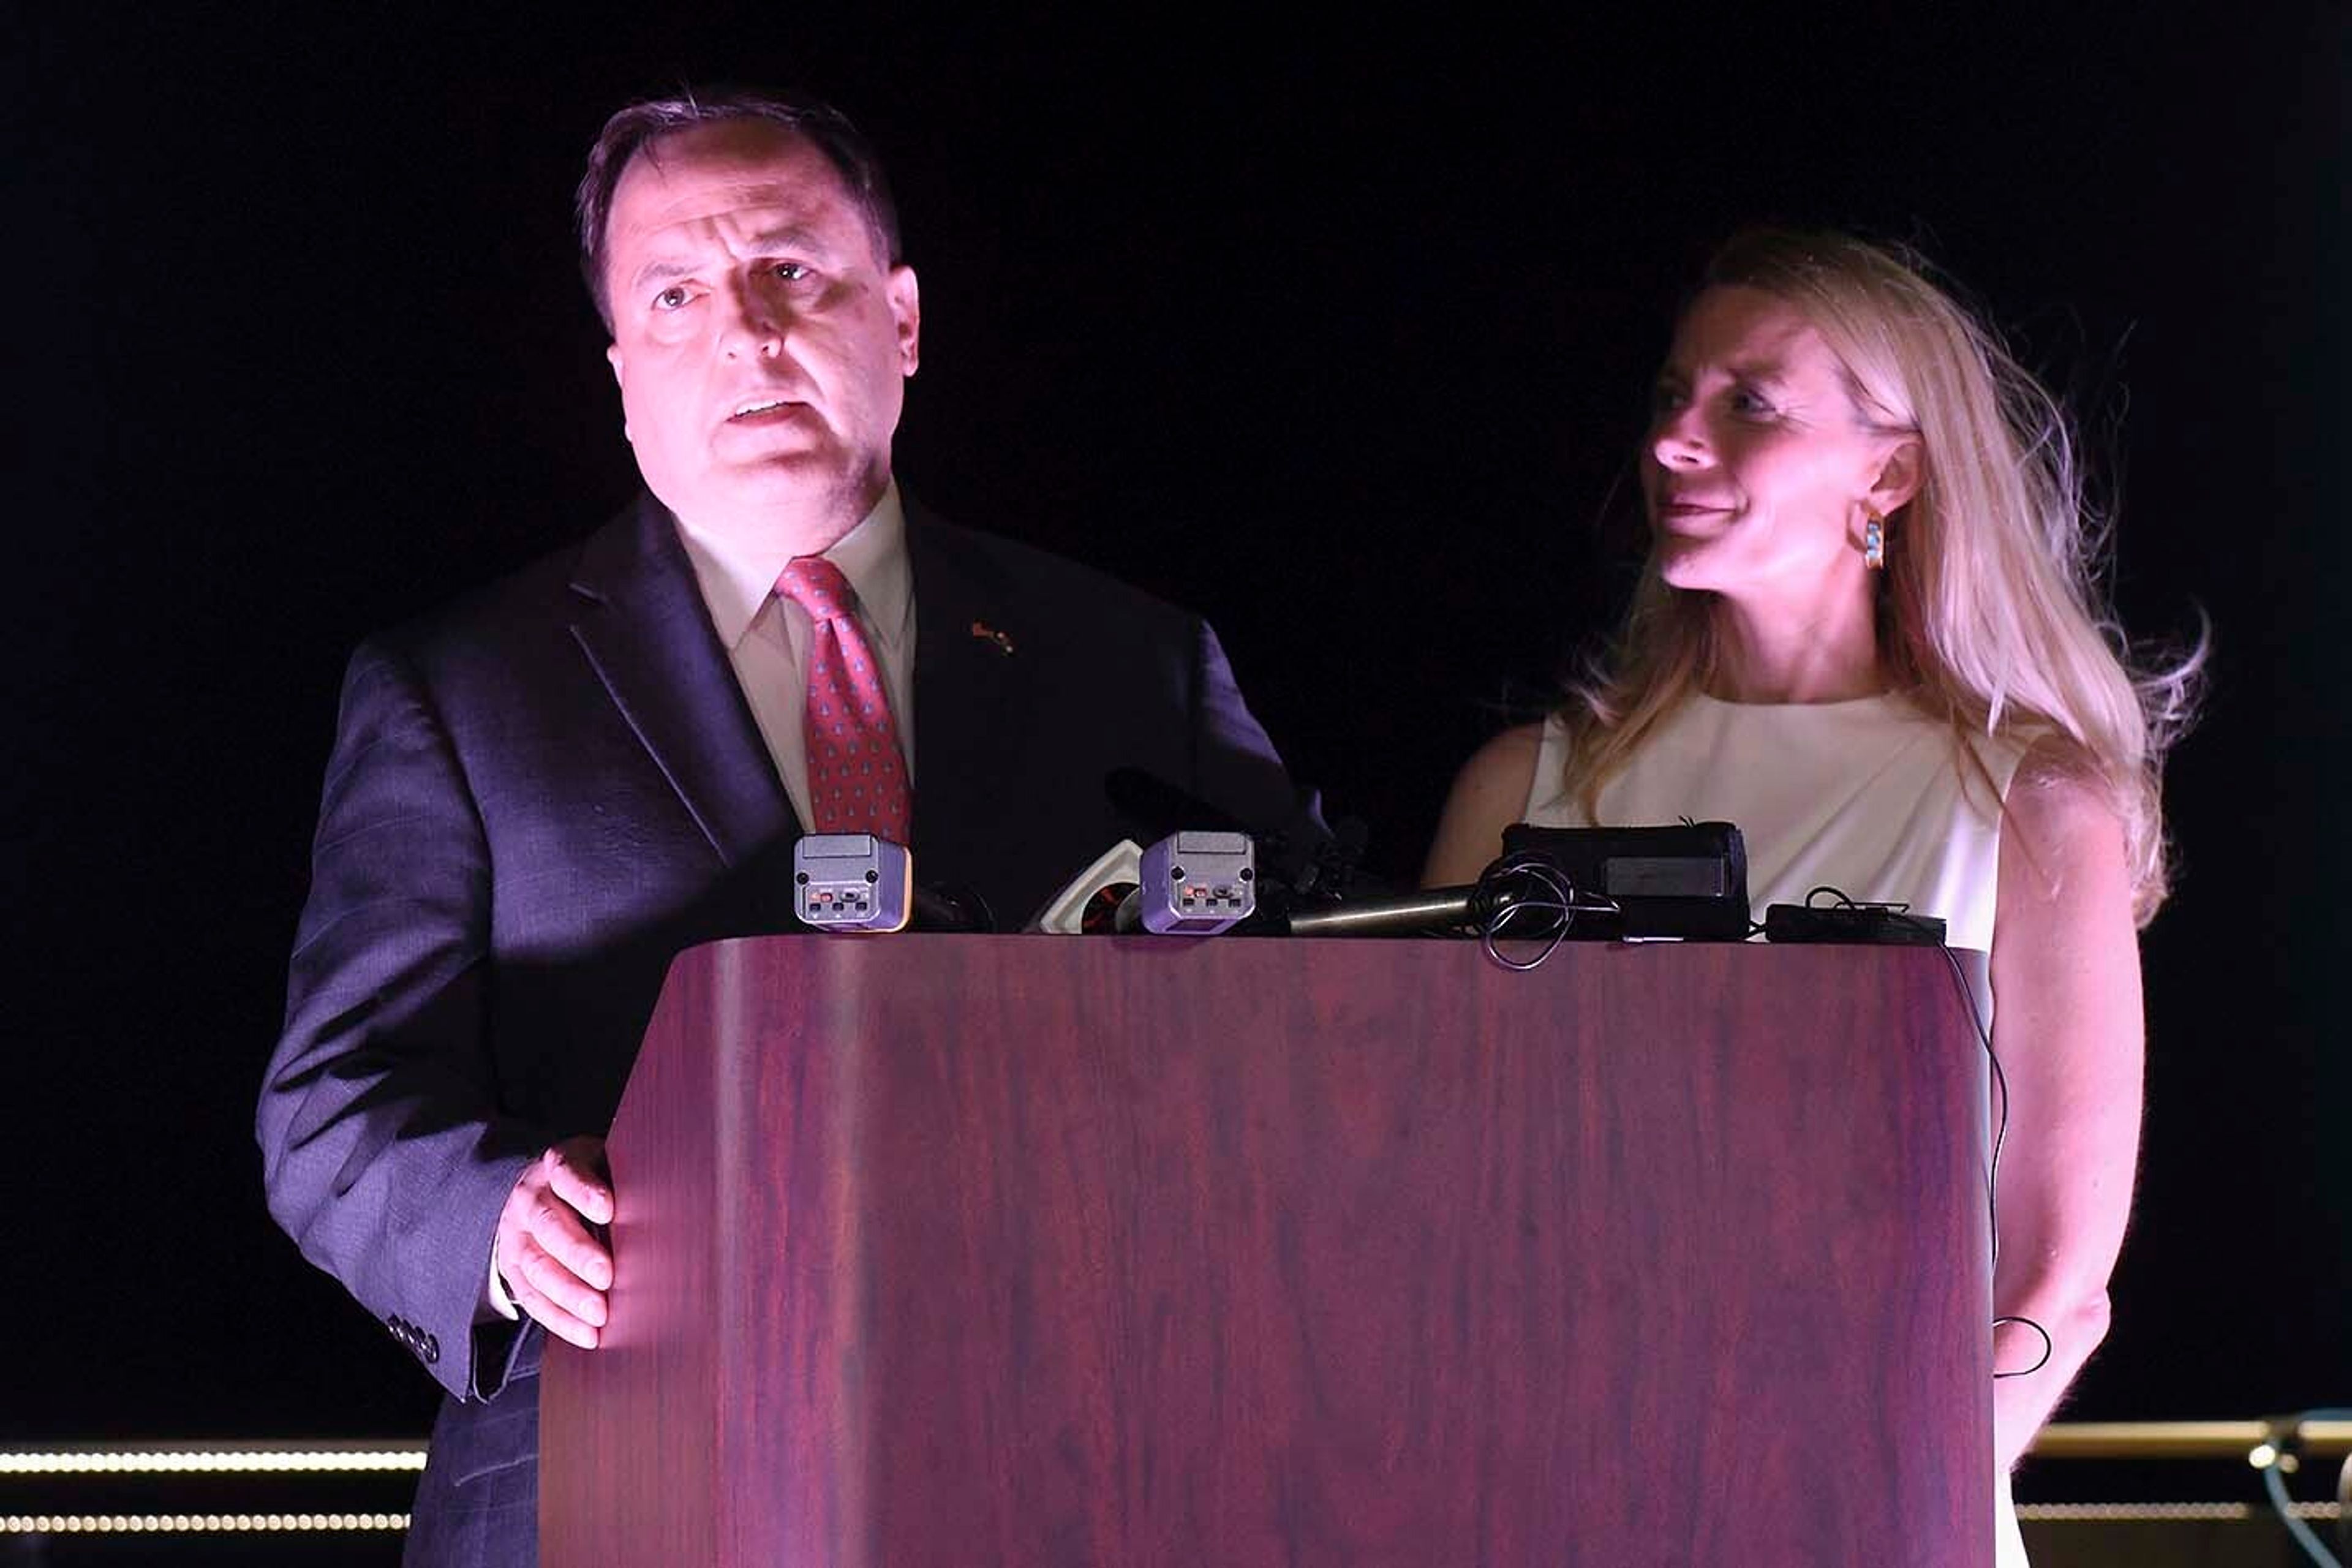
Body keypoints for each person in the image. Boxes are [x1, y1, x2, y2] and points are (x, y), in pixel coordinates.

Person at [258, 88, 1311, 1567]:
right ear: (622, 373)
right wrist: (492, 1213)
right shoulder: (458, 689)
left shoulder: (1133, 658)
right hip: (610, 1487)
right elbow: (326, 1111)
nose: (746, 335)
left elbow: (1332, 1016)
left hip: (1088, 1464)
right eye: (677, 294)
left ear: (904, 318)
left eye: (793, 274)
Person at [1425, 229, 2196, 1564]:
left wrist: (1867, 1503)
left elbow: (2055, 1284)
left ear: (1889, 473)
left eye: (1749, 404)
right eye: (1674, 395)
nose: (1673, 440)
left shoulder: (2030, 809)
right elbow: (1420, 1213)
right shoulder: (1521, 791)